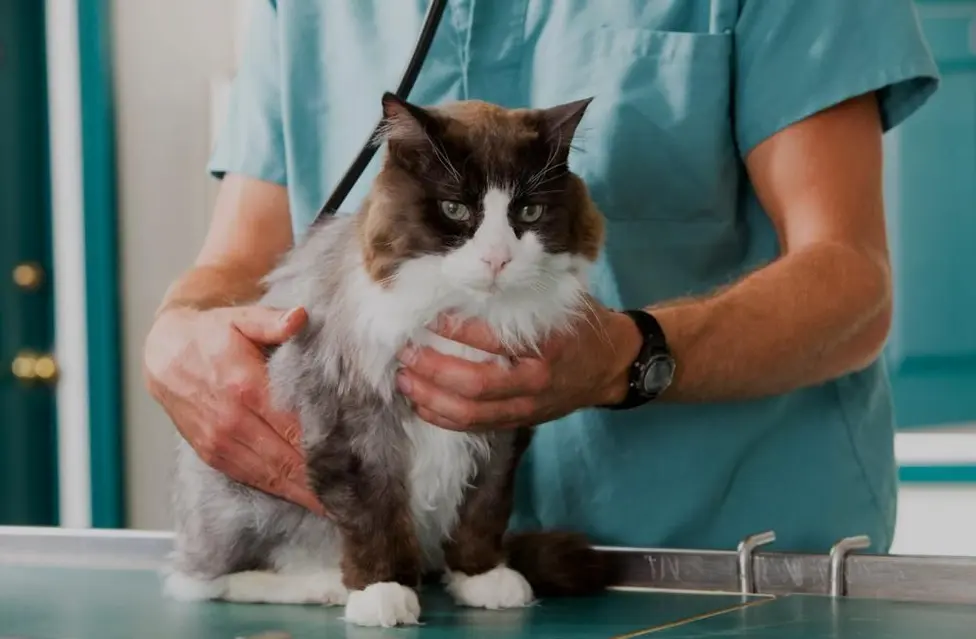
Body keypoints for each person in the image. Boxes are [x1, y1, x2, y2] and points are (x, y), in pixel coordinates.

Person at [143, 0, 940, 553]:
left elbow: (851, 283)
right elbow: (240, 264)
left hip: (728, 562)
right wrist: (177, 333)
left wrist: (628, 355)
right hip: (418, 573)